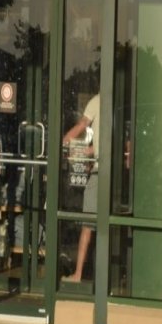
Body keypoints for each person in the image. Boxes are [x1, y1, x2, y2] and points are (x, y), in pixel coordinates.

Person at [62, 93, 99, 283]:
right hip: (110, 172)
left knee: (87, 224)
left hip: (100, 174)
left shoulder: (97, 101)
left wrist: (65, 142)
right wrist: (85, 152)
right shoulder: (115, 103)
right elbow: (101, 146)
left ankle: (78, 274)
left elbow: (82, 125)